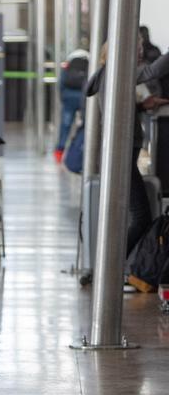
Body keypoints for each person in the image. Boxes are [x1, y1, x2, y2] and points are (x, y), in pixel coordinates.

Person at [85, 40, 168, 258]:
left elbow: (119, 108)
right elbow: (154, 70)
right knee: (140, 218)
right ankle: (111, 265)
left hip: (123, 153)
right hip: (120, 154)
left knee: (137, 216)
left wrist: (141, 106)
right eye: (137, 50)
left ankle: (117, 266)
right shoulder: (117, 70)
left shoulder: (109, 74)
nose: (140, 54)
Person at [54, 49, 90, 163]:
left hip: (68, 97)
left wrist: (63, 98)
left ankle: (59, 151)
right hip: (83, 98)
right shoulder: (88, 63)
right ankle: (80, 149)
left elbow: (61, 83)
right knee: (86, 125)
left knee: (65, 126)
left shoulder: (68, 65)